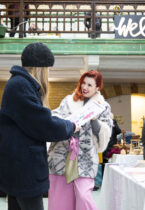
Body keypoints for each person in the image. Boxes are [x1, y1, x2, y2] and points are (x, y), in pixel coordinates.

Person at [0, 42, 79, 210]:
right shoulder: (20, 86)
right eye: (48, 68)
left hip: (17, 166)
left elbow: (35, 120)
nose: (49, 72)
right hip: (23, 168)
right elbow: (43, 124)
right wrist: (71, 126)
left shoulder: (19, 84)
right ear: (40, 68)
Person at [48, 70, 112, 210]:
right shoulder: (68, 101)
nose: (85, 87)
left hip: (86, 158)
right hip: (62, 155)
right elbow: (55, 119)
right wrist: (69, 124)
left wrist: (94, 120)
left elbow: (104, 135)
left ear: (97, 87)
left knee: (84, 196)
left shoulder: (103, 107)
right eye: (83, 83)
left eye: (90, 85)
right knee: (61, 200)